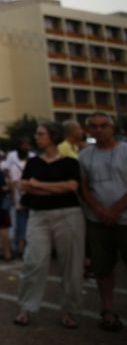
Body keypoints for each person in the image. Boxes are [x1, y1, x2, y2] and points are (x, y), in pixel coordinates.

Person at [13, 122, 84, 329]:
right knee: (34, 262)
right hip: (39, 215)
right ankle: (26, 307)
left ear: (53, 136)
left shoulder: (70, 163)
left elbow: (71, 187)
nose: (37, 137)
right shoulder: (34, 162)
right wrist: (52, 188)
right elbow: (25, 186)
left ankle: (69, 309)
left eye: (41, 134)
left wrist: (39, 185)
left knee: (71, 265)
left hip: (68, 215)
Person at [78, 112, 127, 332]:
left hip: (124, 218)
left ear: (112, 127)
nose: (99, 130)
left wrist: (115, 210)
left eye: (103, 126)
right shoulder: (85, 155)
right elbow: (84, 186)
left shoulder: (125, 150)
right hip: (97, 220)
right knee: (103, 267)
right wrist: (100, 210)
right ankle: (107, 310)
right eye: (94, 126)